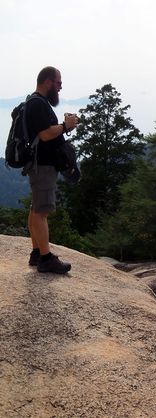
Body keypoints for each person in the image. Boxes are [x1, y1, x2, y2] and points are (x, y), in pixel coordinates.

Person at [25, 66, 77, 274]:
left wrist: (65, 126)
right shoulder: (38, 103)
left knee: (36, 208)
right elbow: (46, 134)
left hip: (40, 163)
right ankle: (46, 259)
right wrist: (65, 126)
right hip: (43, 165)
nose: (60, 87)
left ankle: (37, 253)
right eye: (58, 83)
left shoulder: (36, 102)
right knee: (41, 211)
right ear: (47, 81)